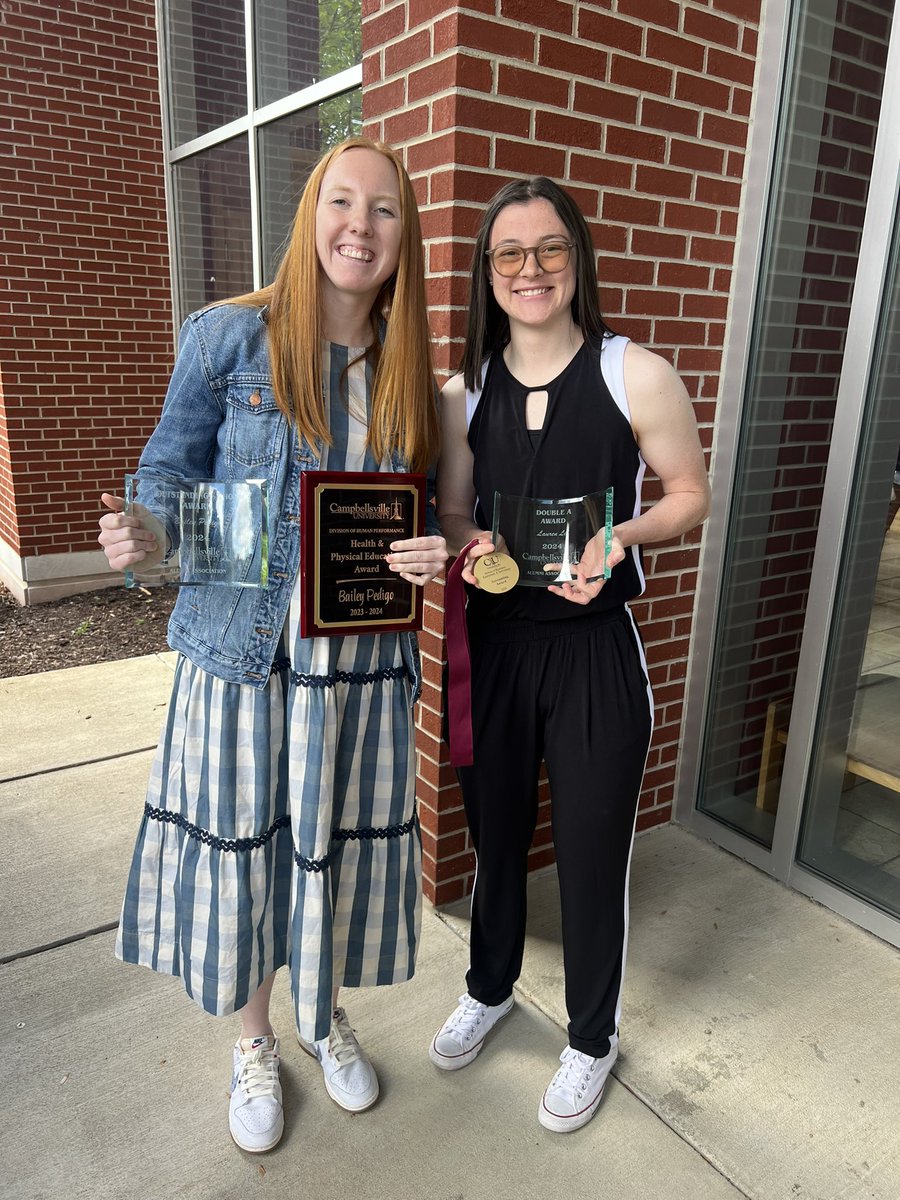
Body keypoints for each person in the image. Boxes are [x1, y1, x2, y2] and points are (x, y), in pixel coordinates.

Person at [98, 137, 447, 1153]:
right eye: (342, 202)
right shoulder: (227, 339)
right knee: (250, 856)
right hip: (243, 659)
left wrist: (431, 554)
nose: (360, 226)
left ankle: (322, 1013)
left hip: (359, 671)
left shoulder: (407, 371)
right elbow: (166, 473)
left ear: (402, 236)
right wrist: (147, 534)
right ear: (310, 215)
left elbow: (414, 516)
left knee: (327, 849)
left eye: (384, 210)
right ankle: (255, 1041)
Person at [432, 177, 710, 1133]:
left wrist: (624, 537)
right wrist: (471, 547)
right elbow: (458, 511)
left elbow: (688, 493)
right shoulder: (463, 392)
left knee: (592, 852)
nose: (531, 269)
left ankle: (592, 1037)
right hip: (498, 647)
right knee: (496, 838)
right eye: (510, 254)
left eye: (549, 248)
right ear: (488, 273)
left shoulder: (636, 372)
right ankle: (491, 985)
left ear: (576, 258)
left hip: (596, 650)